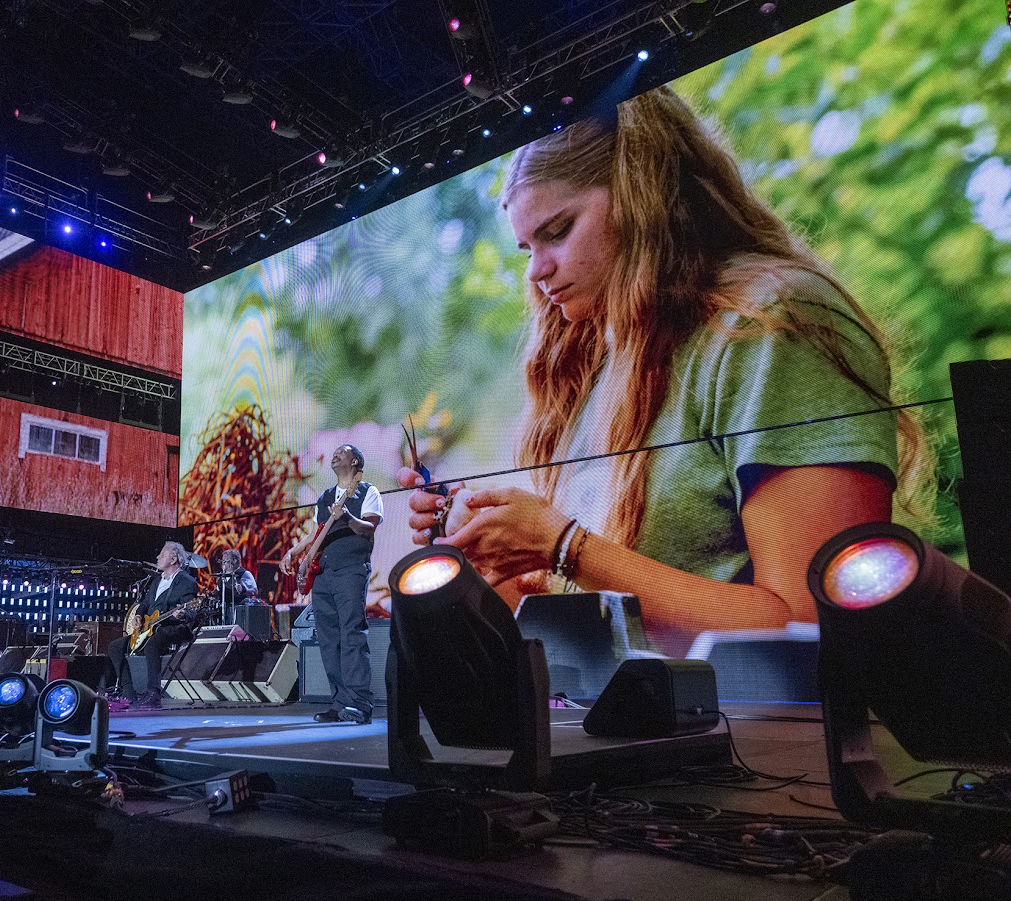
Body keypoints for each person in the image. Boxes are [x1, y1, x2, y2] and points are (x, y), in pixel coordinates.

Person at [401, 86, 926, 657]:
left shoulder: (769, 325)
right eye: (527, 247)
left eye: (557, 231)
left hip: (765, 744)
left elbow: (811, 630)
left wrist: (565, 546)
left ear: (643, 195)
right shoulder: (590, 367)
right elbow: (612, 622)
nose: (537, 272)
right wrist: (489, 559)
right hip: (630, 736)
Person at [280, 444, 383, 724]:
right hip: (323, 575)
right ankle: (339, 704)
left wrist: (347, 518)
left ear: (355, 461)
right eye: (334, 452)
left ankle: (359, 704)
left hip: (350, 570)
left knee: (352, 634)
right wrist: (295, 552)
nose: (335, 454)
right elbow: (317, 534)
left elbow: (370, 528)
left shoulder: (367, 492)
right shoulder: (325, 497)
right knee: (329, 640)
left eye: (342, 452)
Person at [107, 541, 199, 709]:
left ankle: (153, 693)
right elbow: (144, 604)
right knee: (115, 646)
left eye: (162, 554)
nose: (157, 557)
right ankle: (128, 694)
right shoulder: (156, 581)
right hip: (150, 627)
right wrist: (139, 616)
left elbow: (191, 611)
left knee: (153, 642)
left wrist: (182, 613)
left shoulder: (187, 581)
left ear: (173, 559)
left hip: (174, 627)